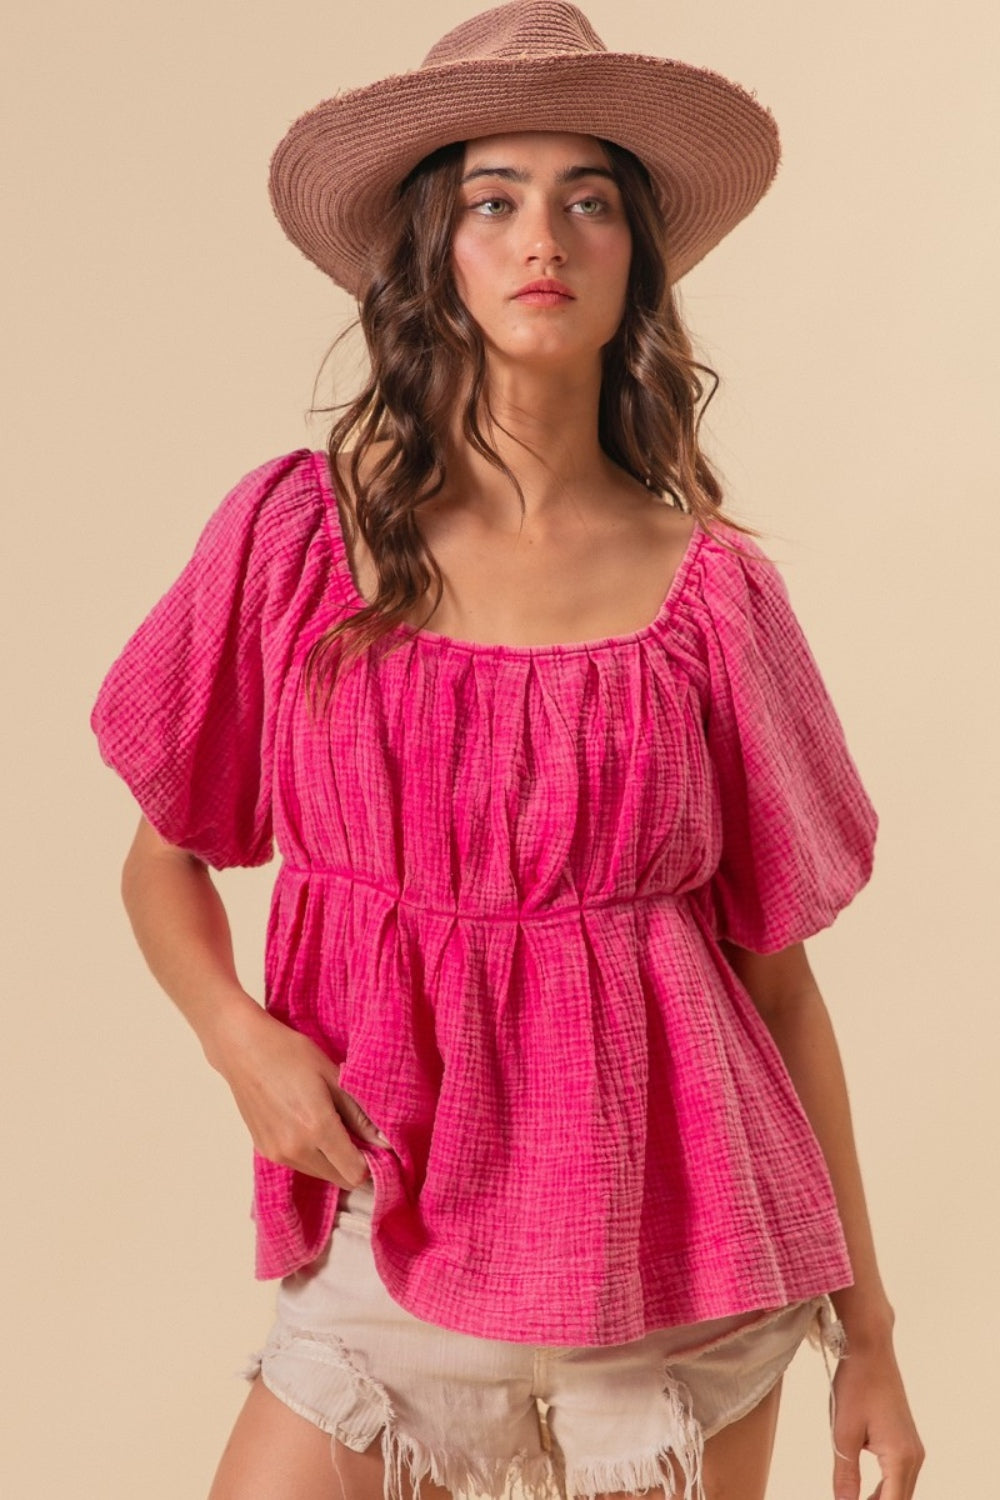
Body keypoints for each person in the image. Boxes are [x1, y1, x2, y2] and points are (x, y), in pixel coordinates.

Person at [91, 4, 924, 1499]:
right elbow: (163, 860)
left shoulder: (715, 595)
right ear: (437, 253)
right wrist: (241, 1043)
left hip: (684, 1264)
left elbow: (778, 982)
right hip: (387, 1244)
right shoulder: (298, 537)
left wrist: (871, 1334)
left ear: (632, 262)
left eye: (587, 199)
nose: (544, 234)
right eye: (494, 199)